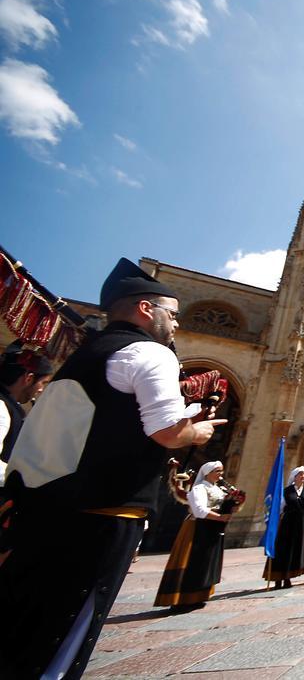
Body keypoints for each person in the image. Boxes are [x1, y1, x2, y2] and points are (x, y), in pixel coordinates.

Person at [0, 259, 225, 678]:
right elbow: (167, 432)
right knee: (62, 638)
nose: (176, 324)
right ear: (146, 309)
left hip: (39, 511)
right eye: (172, 314)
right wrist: (198, 432)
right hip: (99, 518)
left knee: (21, 629)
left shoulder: (84, 356)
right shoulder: (149, 352)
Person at [155, 461, 234, 610]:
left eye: (221, 471)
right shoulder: (199, 488)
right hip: (196, 528)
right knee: (191, 561)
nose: (220, 474)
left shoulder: (219, 489)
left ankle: (199, 595)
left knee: (205, 562)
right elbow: (199, 510)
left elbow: (223, 506)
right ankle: (181, 599)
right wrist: (220, 518)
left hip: (211, 528)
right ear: (207, 473)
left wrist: (235, 503)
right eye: (217, 471)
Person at [0, 342, 53, 485]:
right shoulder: (2, 408)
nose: (41, 390)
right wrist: (25, 478)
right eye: (43, 383)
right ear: (28, 378)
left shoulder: (8, 406)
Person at [264, 466, 304, 589]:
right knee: (282, 550)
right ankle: (277, 578)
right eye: (300, 474)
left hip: (300, 524)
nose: (303, 477)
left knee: (294, 550)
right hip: (286, 524)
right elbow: (280, 508)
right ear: (295, 476)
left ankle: (288, 577)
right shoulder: (286, 491)